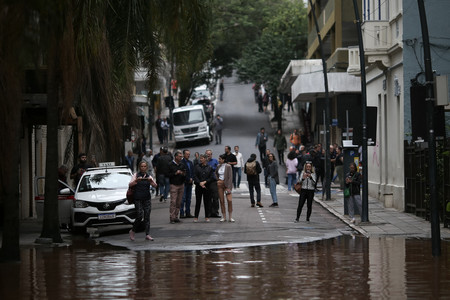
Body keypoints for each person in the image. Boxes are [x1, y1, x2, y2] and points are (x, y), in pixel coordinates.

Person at [128, 161, 157, 241]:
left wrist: (151, 181)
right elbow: (130, 184)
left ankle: (147, 234)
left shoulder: (148, 176)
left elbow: (155, 185)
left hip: (147, 198)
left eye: (144, 166)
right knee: (139, 216)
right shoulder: (136, 175)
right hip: (138, 199)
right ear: (139, 167)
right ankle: (133, 231)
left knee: (147, 216)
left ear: (146, 168)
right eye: (142, 166)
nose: (143, 168)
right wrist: (136, 180)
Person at [193, 154, 215, 222]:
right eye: (200, 158)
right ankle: (196, 217)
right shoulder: (197, 167)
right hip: (199, 186)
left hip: (207, 186)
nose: (200, 159)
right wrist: (199, 183)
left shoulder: (209, 167)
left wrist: (205, 182)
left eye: (202, 158)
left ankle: (207, 216)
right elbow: (195, 176)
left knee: (207, 202)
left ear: (205, 159)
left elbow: (211, 177)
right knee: (198, 202)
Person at [168, 150, 186, 224]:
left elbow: (185, 173)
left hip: (181, 184)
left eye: (181, 156)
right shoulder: (170, 164)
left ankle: (176, 216)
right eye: (180, 156)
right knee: (173, 202)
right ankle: (172, 217)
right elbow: (168, 174)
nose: (181, 158)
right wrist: (175, 173)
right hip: (174, 185)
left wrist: (182, 173)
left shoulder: (182, 164)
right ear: (176, 157)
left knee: (179, 202)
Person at [216, 154, 234, 222]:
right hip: (220, 184)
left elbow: (230, 177)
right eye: (219, 159)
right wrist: (218, 180)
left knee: (229, 200)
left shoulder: (228, 166)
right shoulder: (218, 166)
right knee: (221, 200)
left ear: (223, 160)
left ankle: (230, 217)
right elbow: (216, 173)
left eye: (220, 159)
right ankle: (224, 216)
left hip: (226, 184)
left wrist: (229, 187)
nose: (219, 160)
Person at [205, 149, 221, 218]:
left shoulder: (215, 161)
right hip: (207, 182)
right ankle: (208, 212)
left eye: (209, 154)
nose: (208, 155)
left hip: (214, 182)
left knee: (215, 198)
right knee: (208, 198)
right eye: (207, 154)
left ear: (211, 155)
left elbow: (219, 169)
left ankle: (215, 212)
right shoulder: (204, 162)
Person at [180, 149, 194, 218]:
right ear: (183, 154)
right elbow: (182, 173)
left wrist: (192, 178)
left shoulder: (190, 162)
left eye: (189, 154)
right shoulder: (181, 163)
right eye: (187, 154)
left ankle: (188, 212)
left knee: (189, 198)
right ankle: (181, 213)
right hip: (184, 183)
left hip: (190, 183)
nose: (188, 155)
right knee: (183, 198)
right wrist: (188, 179)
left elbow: (192, 171)